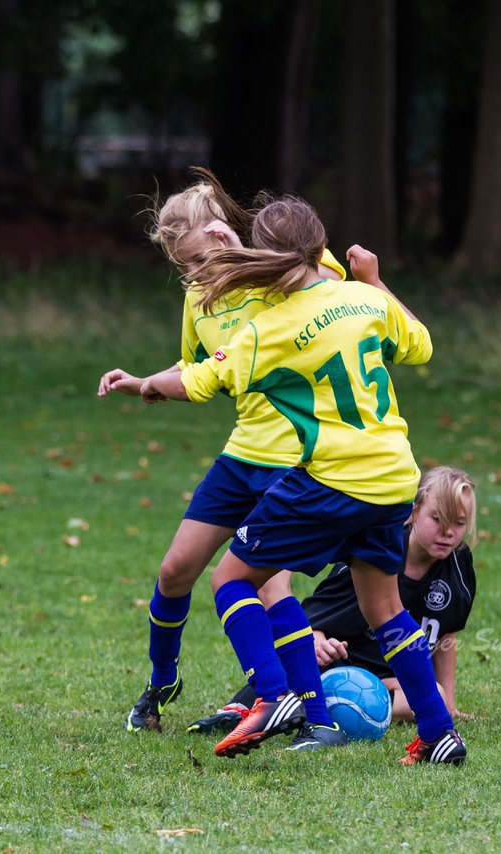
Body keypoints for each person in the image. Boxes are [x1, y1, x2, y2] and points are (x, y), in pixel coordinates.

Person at [141, 195, 467, 765]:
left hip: (330, 480)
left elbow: (199, 382)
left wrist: (144, 385)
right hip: (394, 478)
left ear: (264, 256)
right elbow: (421, 343)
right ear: (321, 246)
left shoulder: (270, 328)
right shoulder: (363, 299)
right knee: (386, 612)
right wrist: (375, 280)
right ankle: (440, 733)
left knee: (230, 581)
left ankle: (275, 694)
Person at [99, 169, 356, 751]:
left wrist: (252, 257)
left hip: (298, 456)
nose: (190, 275)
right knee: (174, 571)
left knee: (270, 584)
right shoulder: (199, 296)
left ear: (219, 235)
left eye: (194, 259)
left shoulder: (283, 265)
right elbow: (199, 369)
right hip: (243, 454)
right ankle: (162, 684)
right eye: (181, 266)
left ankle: (310, 716)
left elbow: (336, 290)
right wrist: (144, 381)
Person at [188, 465, 477, 732]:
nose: (448, 532)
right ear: (413, 512)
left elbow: (445, 635)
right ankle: (259, 707)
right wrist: (317, 639)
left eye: (459, 523)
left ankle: (316, 705)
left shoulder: (459, 564)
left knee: (434, 695)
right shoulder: (376, 557)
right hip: (338, 665)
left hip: (392, 675)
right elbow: (313, 618)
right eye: (437, 519)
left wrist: (448, 703)